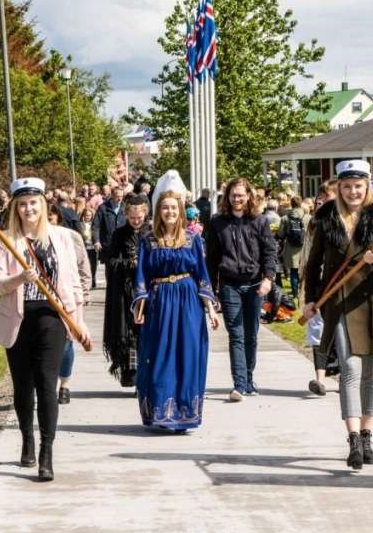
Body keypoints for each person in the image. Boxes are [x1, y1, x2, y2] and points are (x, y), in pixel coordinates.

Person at [0, 177, 91, 481]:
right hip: (19, 319)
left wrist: (79, 320)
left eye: (33, 203)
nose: (28, 209)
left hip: (52, 318)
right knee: (23, 388)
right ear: (16, 208)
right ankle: (27, 439)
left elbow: (74, 284)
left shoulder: (63, 237)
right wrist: (20, 278)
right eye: (22, 204)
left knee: (47, 384)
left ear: (44, 205)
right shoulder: (6, 239)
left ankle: (47, 452)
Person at [302, 159, 373, 469]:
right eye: (347, 186)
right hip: (341, 304)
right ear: (339, 188)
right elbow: (313, 264)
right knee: (350, 369)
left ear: (367, 186)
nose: (353, 191)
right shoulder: (326, 219)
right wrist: (310, 299)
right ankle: (353, 439)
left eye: (358, 186)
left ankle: (367, 435)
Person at [131, 172, 220, 430]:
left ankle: (184, 415)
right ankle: (161, 413)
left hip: (188, 301)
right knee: (160, 355)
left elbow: (202, 275)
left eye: (173, 208)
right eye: (165, 208)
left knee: (188, 354)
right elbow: (142, 276)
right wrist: (140, 304)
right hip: (160, 302)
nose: (169, 212)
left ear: (180, 211)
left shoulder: (192, 240)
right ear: (158, 211)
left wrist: (210, 309)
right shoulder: (148, 241)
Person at [206, 177, 278, 401]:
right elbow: (211, 259)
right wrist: (211, 290)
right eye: (233, 195)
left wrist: (268, 278)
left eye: (240, 195)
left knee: (251, 335)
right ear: (227, 196)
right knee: (236, 335)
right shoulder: (217, 222)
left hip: (255, 284)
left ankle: (248, 379)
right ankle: (239, 384)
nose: (236, 199)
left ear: (248, 196)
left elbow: (269, 251)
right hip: (230, 284)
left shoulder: (259, 221)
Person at [47, 204, 91, 406]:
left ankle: (64, 383)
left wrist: (83, 293)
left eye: (51, 216)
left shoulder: (71, 237)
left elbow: (82, 267)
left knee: (66, 343)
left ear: (58, 217)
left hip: (68, 298)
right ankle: (47, 385)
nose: (48, 220)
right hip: (44, 299)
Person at [103, 195, 149, 388]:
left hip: (148, 290)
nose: (136, 221)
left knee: (146, 331)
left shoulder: (152, 232)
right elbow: (111, 261)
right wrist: (129, 263)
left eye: (139, 218)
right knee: (128, 332)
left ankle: (146, 374)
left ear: (145, 214)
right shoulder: (119, 234)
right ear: (127, 215)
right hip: (125, 290)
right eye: (132, 218)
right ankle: (130, 372)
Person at [278, 199, 308, 301]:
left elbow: (280, 234)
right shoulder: (308, 217)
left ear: (291, 204)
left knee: (293, 271)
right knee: (305, 271)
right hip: (305, 248)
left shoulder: (285, 218)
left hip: (291, 248)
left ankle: (295, 293)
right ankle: (304, 292)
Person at [94, 186, 126, 264]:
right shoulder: (103, 208)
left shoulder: (125, 207)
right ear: (112, 195)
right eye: (118, 196)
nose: (120, 199)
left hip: (122, 244)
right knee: (110, 268)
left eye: (121, 196)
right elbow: (96, 226)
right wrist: (97, 240)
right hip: (108, 244)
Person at [80, 207, 98, 289]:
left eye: (89, 215)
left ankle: (93, 280)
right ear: (83, 215)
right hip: (84, 247)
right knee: (85, 265)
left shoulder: (94, 225)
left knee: (93, 266)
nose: (88, 217)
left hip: (93, 247)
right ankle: (86, 282)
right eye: (86, 215)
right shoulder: (80, 224)